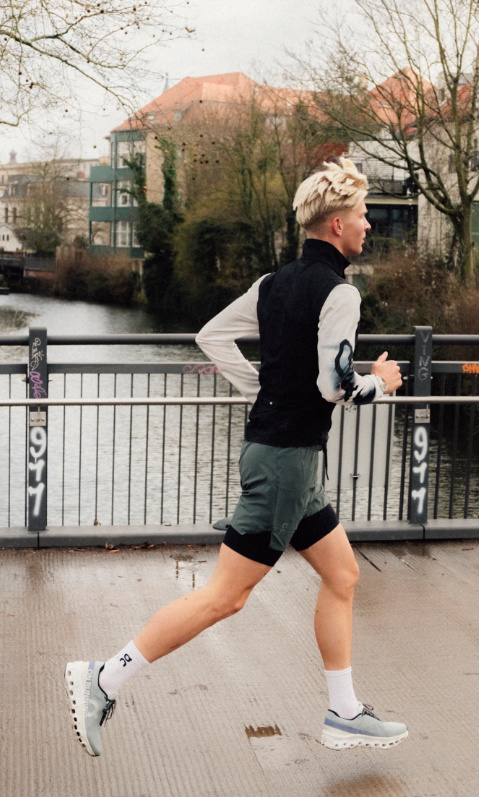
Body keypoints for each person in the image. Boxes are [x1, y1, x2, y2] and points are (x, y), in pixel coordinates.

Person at [67, 157, 407, 756]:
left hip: (285, 458)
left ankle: (344, 712)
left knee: (343, 575)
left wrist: (263, 390)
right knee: (225, 596)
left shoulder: (272, 284)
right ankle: (103, 678)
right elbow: (335, 386)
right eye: (360, 215)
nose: (367, 226)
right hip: (286, 463)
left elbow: (212, 336)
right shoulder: (341, 292)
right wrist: (380, 380)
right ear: (335, 225)